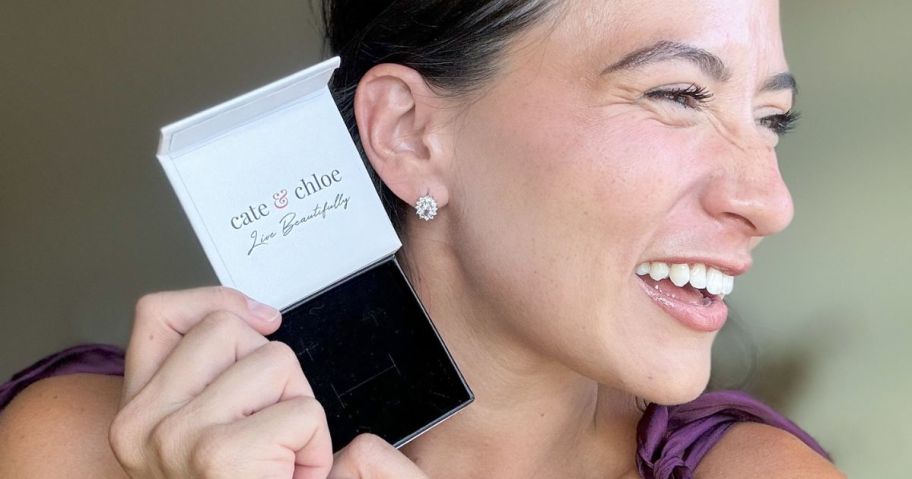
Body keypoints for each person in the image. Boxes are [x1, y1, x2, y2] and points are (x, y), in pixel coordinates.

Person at [0, 0, 847, 477]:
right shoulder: (77, 451)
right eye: (678, 95)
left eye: (772, 118)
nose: (768, 201)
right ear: (407, 133)